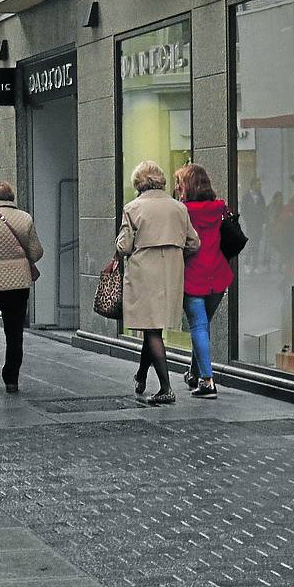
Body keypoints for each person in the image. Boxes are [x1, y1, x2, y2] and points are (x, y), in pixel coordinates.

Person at [116, 160, 200, 405]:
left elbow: (124, 246)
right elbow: (194, 243)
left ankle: (165, 388)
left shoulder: (133, 208)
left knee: (151, 328)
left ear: (138, 183)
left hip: (144, 271)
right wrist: (174, 254)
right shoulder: (178, 208)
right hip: (171, 272)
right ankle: (141, 375)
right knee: (153, 328)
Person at [0, 180, 42, 396]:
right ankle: (11, 379)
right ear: (10, 196)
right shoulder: (25, 218)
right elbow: (36, 252)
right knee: (14, 332)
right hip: (19, 285)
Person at [175, 164, 234, 399]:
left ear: (188, 186)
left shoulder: (183, 212)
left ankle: (207, 381)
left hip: (193, 276)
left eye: (179, 183)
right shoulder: (220, 208)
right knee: (203, 326)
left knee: (198, 327)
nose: (177, 187)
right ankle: (193, 372)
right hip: (218, 276)